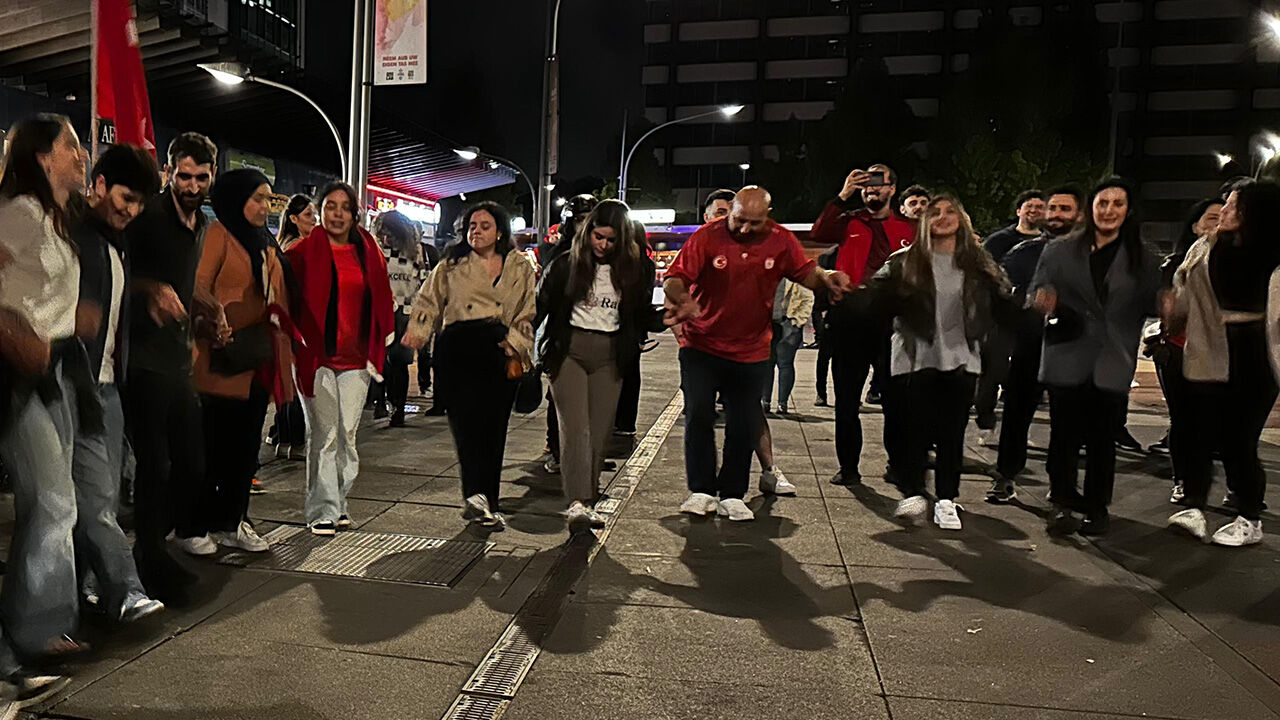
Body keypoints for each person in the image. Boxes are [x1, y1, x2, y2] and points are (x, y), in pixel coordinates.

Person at [665, 186, 852, 521]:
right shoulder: (707, 236)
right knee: (699, 416)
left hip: (751, 348)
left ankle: (733, 493)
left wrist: (827, 277)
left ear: (767, 215)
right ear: (732, 210)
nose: (746, 229)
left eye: (755, 222)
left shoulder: (780, 239)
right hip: (701, 344)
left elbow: (805, 272)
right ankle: (702, 490)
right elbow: (674, 278)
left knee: (742, 421)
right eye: (739, 220)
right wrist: (682, 299)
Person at [0, 113, 94, 688]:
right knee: (53, 499)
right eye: (72, 145)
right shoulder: (19, 213)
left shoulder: (57, 217)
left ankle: (43, 625)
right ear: (42, 156)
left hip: (53, 367)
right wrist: (19, 331)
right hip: (18, 374)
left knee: (55, 500)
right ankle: (33, 631)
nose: (82, 155)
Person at [869, 195, 1015, 529]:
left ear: (962, 220)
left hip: (962, 358)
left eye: (951, 212)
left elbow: (1004, 302)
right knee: (913, 431)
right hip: (914, 357)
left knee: (951, 433)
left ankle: (947, 499)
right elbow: (875, 302)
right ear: (922, 221)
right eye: (934, 212)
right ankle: (915, 491)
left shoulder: (979, 264)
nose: (943, 217)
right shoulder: (903, 261)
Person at [67, 142, 166, 622]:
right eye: (126, 197)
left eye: (140, 203)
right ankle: (122, 589)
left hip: (104, 385)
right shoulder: (73, 234)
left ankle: (90, 588)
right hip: (73, 384)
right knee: (85, 499)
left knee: (92, 497)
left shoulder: (112, 242)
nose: (131, 210)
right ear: (99, 185)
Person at [1030, 178, 1160, 536]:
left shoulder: (1143, 256)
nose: (1109, 210)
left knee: (1103, 440)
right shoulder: (1059, 250)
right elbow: (1038, 289)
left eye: (1118, 204)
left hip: (1112, 358)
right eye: (1103, 203)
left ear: (1128, 210)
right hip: (1067, 353)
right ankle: (1061, 501)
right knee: (1064, 436)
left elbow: (1152, 301)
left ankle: (1097, 506)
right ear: (1091, 208)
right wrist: (1044, 300)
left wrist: (1169, 305)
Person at [124, 131, 218, 599]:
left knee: (191, 459)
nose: (192, 185)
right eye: (184, 176)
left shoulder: (199, 223)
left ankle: (164, 540)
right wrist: (150, 290)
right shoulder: (147, 217)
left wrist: (209, 307)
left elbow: (184, 283)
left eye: (201, 177)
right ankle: (149, 556)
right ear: (168, 172)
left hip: (176, 359)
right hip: (141, 359)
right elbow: (119, 273)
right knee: (154, 464)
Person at [403, 201, 536, 530]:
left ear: (500, 231)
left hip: (499, 349)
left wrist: (516, 343)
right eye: (472, 226)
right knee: (466, 426)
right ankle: (475, 494)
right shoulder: (452, 263)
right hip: (458, 348)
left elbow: (528, 310)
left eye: (484, 225)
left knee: (494, 429)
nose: (476, 231)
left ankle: (488, 500)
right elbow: (428, 298)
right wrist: (418, 332)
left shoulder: (520, 266)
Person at [536, 200, 664, 533]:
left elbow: (640, 316)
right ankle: (577, 501)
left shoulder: (634, 270)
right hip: (570, 352)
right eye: (598, 236)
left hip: (611, 354)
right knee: (576, 427)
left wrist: (670, 317)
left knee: (600, 431)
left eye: (611, 240)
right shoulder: (566, 264)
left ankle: (587, 500)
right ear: (587, 232)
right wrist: (519, 339)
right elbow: (539, 305)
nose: (603, 245)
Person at [1167, 181, 1280, 547]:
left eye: (1234, 206)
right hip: (1208, 345)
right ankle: (1193, 505)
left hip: (1256, 352)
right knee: (1198, 429)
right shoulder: (1207, 247)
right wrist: (1171, 314)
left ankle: (1249, 516)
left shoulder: (1274, 254)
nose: (1225, 211)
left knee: (1239, 438)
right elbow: (1183, 288)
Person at [189, 168, 294, 552]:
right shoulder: (219, 235)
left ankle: (233, 521)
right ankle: (198, 522)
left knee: (245, 447)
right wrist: (218, 315)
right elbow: (197, 284)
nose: (265, 206)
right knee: (215, 444)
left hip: (256, 356)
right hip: (220, 355)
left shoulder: (264, 241)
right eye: (258, 198)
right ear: (236, 199)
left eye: (269, 199)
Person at [287, 182, 395, 536]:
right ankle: (322, 510)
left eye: (344, 207)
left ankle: (339, 502)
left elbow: (381, 296)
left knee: (347, 434)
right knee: (324, 434)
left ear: (354, 213)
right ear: (320, 211)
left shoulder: (368, 250)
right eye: (330, 206)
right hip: (315, 356)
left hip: (356, 358)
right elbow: (283, 297)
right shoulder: (301, 253)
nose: (336, 213)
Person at [810, 164, 915, 486]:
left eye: (879, 183)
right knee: (846, 400)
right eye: (867, 185)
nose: (872, 189)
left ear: (893, 189)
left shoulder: (910, 227)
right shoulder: (850, 221)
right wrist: (843, 195)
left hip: (893, 320)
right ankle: (849, 467)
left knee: (897, 400)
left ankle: (897, 464)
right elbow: (819, 234)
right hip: (851, 317)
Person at [987, 186, 1084, 502]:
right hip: (1030, 347)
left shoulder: (1092, 255)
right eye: (1052, 208)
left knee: (1067, 425)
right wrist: (1023, 305)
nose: (1055, 215)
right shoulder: (1023, 252)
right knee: (1016, 414)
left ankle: (1062, 487)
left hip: (1072, 351)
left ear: (1080, 215)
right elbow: (999, 294)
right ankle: (1005, 476)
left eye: (1064, 209)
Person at [1152, 199, 1222, 503]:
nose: (1217, 223)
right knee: (1182, 419)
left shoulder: (1240, 261)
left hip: (1221, 352)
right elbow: (1166, 305)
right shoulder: (1176, 264)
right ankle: (1183, 480)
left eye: (1224, 217)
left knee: (1211, 421)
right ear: (1195, 226)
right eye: (1211, 218)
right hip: (1179, 349)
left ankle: (1214, 487)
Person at [974, 189, 1046, 432]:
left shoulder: (1050, 245)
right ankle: (984, 413)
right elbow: (982, 272)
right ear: (1018, 211)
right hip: (1001, 315)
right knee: (993, 367)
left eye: (1039, 206)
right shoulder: (998, 241)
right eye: (1029, 206)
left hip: (1033, 316)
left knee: (1027, 373)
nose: (1034, 210)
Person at [265, 193, 316, 463]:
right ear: (294, 219)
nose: (315, 219)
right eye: (309, 215)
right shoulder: (299, 250)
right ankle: (294, 441)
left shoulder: (285, 245)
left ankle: (284, 438)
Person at [370, 210, 427, 427]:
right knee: (379, 362)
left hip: (404, 313)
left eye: (390, 234)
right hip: (381, 311)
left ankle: (398, 407)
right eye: (382, 233)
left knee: (399, 362)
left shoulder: (415, 252)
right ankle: (380, 402)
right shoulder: (375, 250)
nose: (386, 238)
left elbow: (423, 282)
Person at [612, 218, 656, 438]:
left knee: (619, 375)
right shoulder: (645, 264)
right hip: (633, 327)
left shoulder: (624, 263)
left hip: (622, 325)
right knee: (629, 375)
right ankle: (625, 422)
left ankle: (618, 421)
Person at [763, 278, 813, 414]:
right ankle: (765, 401)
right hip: (767, 324)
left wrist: (797, 321)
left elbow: (807, 299)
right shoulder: (767, 271)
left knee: (785, 364)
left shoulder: (796, 276)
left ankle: (782, 403)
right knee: (768, 364)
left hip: (788, 324)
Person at [812, 244, 839, 406]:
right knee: (825, 358)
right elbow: (820, 287)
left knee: (833, 359)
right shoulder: (829, 256)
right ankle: (821, 393)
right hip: (830, 312)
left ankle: (829, 393)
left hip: (842, 313)